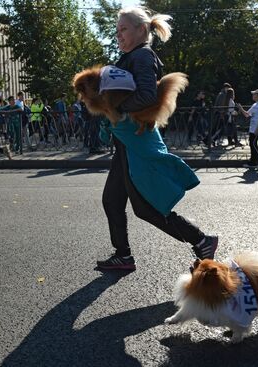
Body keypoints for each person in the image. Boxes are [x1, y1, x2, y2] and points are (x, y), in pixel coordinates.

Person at [96, 7, 218, 271]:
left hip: (134, 146)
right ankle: (123, 255)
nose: (119, 35)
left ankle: (201, 239)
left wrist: (115, 111)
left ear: (141, 30)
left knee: (145, 208)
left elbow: (148, 97)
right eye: (117, 31)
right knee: (112, 201)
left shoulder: (141, 55)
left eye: (124, 29)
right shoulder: (131, 56)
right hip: (126, 145)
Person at [237, 89, 258, 168]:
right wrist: (240, 108)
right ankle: (253, 162)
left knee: (253, 143)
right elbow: (247, 114)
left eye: (254, 94)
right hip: (253, 127)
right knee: (252, 144)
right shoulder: (255, 105)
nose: (253, 96)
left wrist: (257, 129)